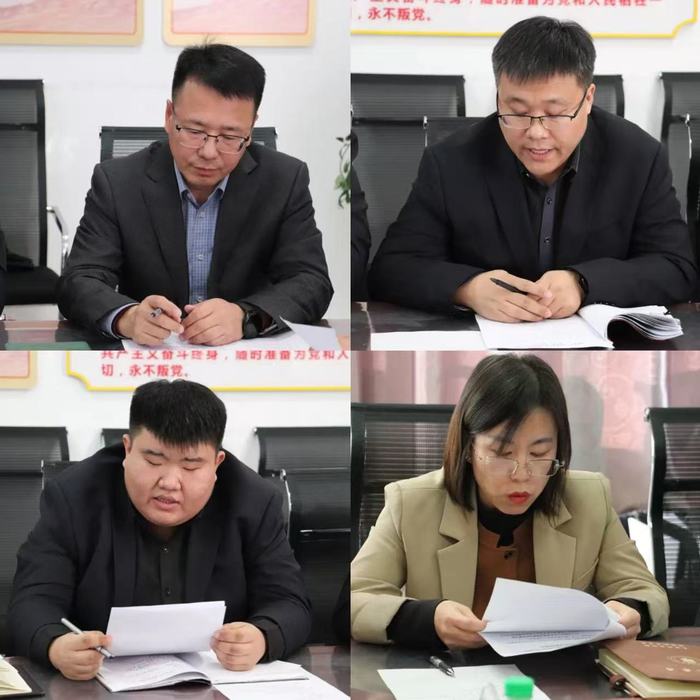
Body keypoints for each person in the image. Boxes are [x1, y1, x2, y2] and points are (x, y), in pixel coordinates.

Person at [368, 17, 696, 321]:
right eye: (517, 111)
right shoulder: (451, 161)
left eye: (555, 114)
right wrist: (467, 289)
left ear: (588, 99)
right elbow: (392, 268)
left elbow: (677, 268)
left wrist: (584, 283)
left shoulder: (638, 157)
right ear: (499, 97)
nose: (536, 132)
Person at [350, 354, 669, 649]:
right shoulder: (411, 503)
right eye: (502, 453)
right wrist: (427, 619)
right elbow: (353, 600)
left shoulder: (589, 498)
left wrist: (629, 609)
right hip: (450, 675)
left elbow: (645, 591)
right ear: (469, 448)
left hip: (556, 678)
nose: (522, 475)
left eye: (539, 453)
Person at [8, 380, 311, 680]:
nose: (169, 482)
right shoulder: (74, 497)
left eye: (190, 467)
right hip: (97, 686)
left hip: (218, 685)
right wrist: (56, 645)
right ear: (127, 449)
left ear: (217, 464)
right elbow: (32, 600)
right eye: (154, 461)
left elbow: (289, 602)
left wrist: (261, 637)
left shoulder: (253, 501)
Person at [57, 44, 333, 345]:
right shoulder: (117, 182)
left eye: (230, 136)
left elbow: (312, 282)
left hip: (245, 357)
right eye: (195, 131)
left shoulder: (284, 180)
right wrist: (128, 317)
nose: (209, 152)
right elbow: (78, 280)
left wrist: (246, 318)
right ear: (169, 115)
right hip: (153, 356)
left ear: (251, 129)